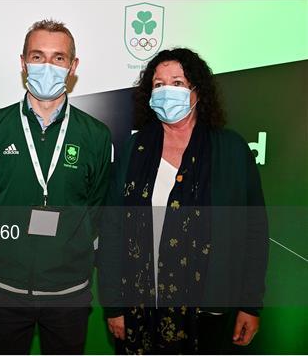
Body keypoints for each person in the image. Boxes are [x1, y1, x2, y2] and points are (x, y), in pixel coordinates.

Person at [98, 48, 269, 354]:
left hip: (209, 309)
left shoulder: (231, 150)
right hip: (141, 307)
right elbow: (112, 230)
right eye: (159, 85)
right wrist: (113, 304)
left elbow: (254, 233)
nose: (167, 92)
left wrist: (250, 304)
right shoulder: (135, 149)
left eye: (177, 82)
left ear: (197, 91)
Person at [0, 19, 112, 354]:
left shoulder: (95, 135)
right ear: (23, 63)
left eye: (59, 58)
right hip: (4, 288)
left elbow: (95, 209)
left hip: (69, 292)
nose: (47, 66)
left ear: (72, 66)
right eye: (38, 57)